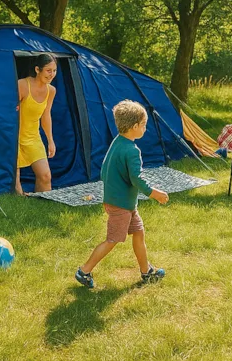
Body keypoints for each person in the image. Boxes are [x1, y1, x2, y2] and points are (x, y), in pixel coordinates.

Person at [75, 100, 169, 288]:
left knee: (139, 233)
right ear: (134, 126)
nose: (145, 128)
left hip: (121, 203)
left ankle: (146, 272)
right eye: (143, 124)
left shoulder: (117, 142)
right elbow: (137, 178)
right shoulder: (132, 151)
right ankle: (84, 271)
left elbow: (104, 170)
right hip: (121, 206)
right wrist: (154, 193)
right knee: (112, 240)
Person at [16, 53, 57, 195]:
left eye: (54, 70)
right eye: (48, 70)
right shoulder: (22, 85)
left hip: (33, 137)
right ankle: (22, 210)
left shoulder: (51, 90)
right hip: (14, 137)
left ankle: (43, 206)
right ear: (37, 70)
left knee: (45, 176)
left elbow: (46, 116)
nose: (52, 74)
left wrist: (50, 141)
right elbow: (9, 111)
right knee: (15, 186)